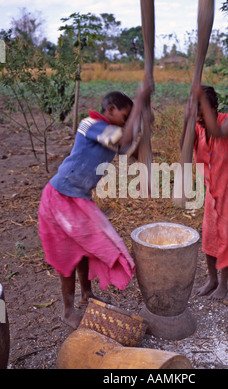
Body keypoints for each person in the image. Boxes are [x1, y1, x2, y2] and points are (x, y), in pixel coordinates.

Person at [38, 84, 152, 329]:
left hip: (79, 198)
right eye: (125, 116)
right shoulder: (89, 125)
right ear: (110, 109)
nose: (126, 122)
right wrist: (141, 100)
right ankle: (68, 311)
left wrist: (145, 124)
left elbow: (131, 150)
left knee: (86, 248)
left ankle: (86, 294)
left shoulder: (111, 131)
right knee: (69, 254)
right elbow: (125, 137)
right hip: (60, 196)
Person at [182, 84, 228, 301]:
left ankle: (223, 283)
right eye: (197, 115)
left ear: (216, 108)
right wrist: (187, 119)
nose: (200, 119)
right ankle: (211, 279)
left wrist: (200, 101)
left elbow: (219, 133)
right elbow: (183, 149)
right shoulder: (197, 127)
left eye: (204, 114)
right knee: (210, 234)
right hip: (212, 189)